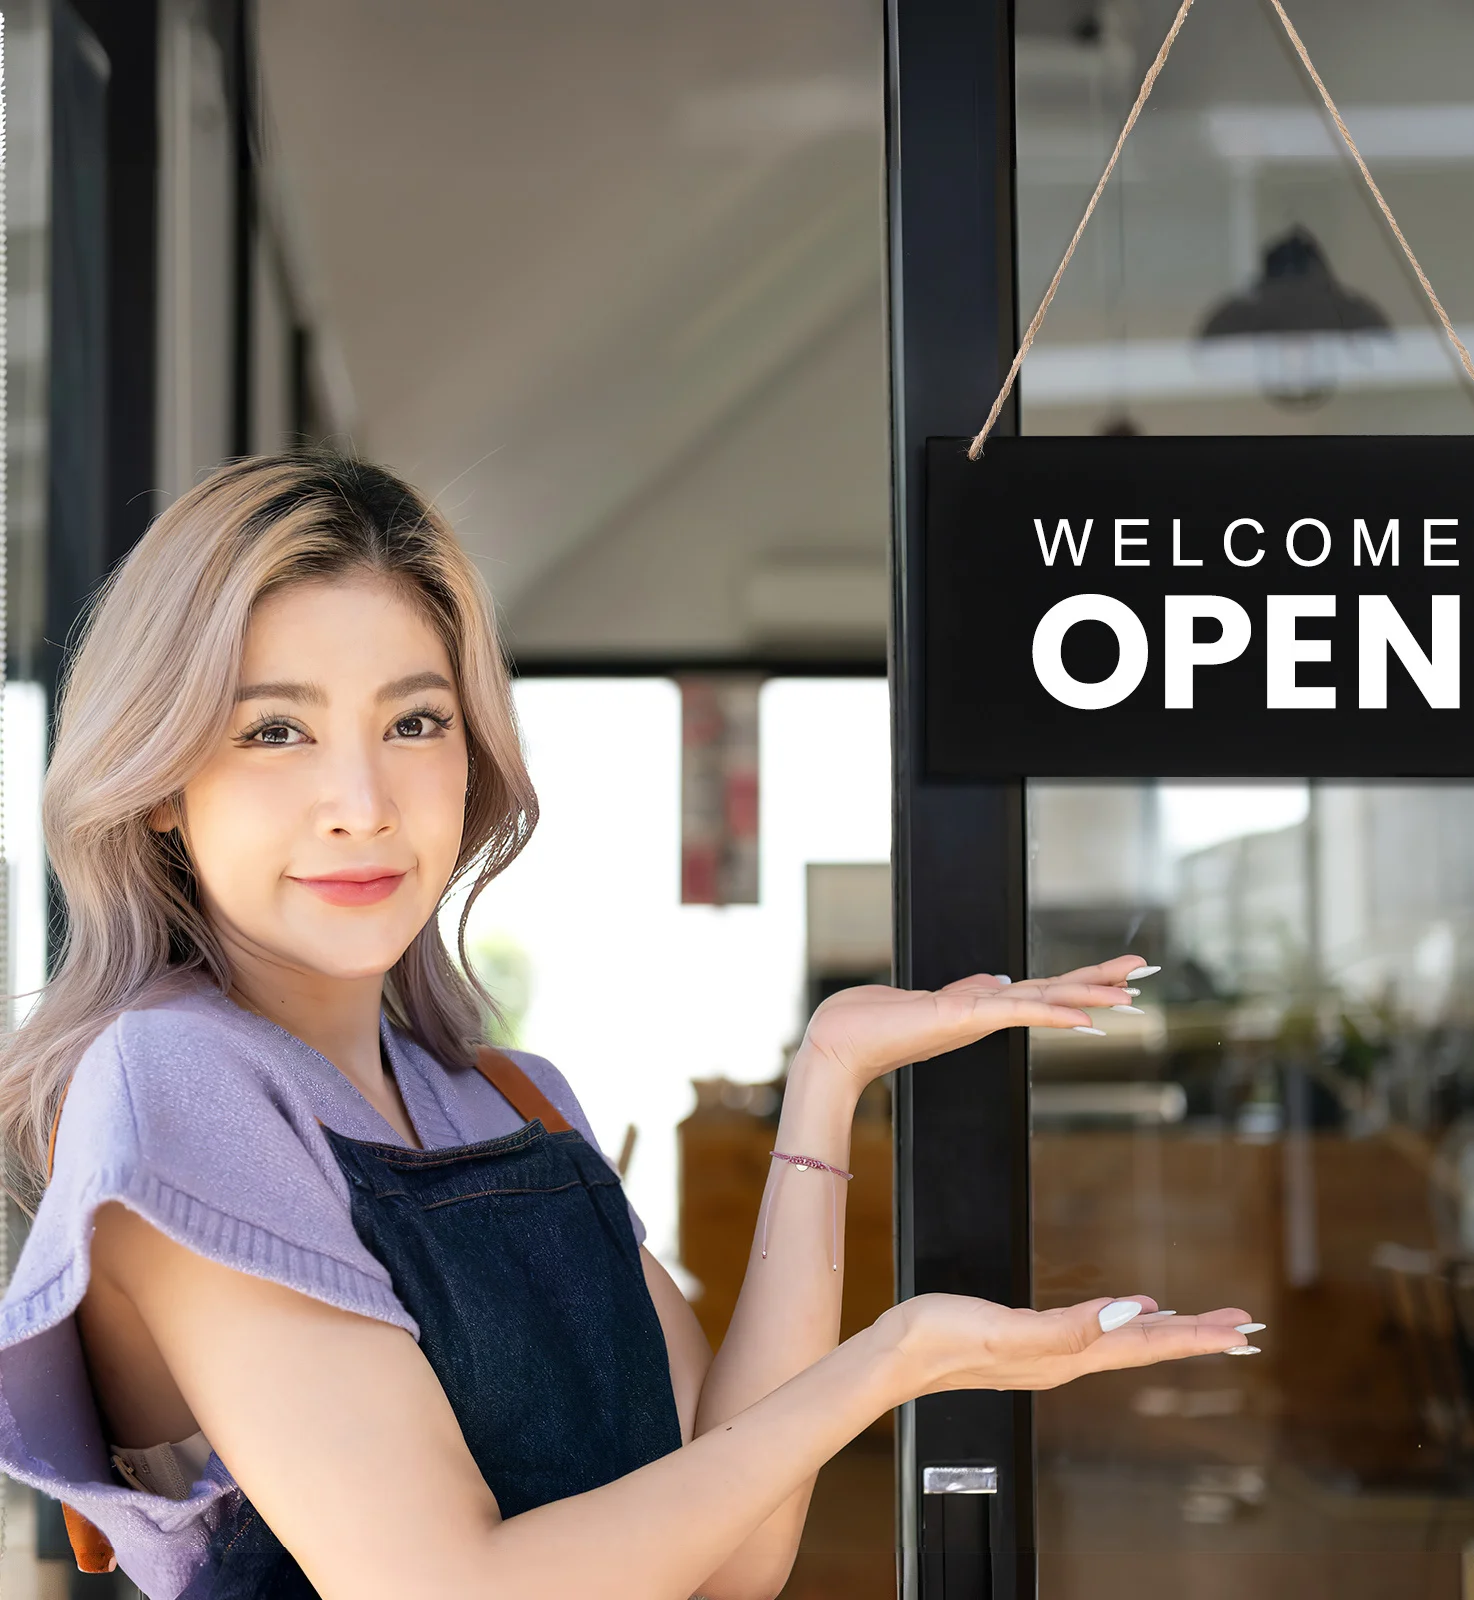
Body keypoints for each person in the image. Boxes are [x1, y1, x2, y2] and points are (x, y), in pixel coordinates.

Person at [0, 454, 1260, 1600]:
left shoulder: (507, 1098)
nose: (361, 802)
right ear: (162, 784)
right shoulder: (172, 1081)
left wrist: (829, 1075)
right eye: (275, 730)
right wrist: (890, 1361)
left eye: (413, 722)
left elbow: (735, 1548)